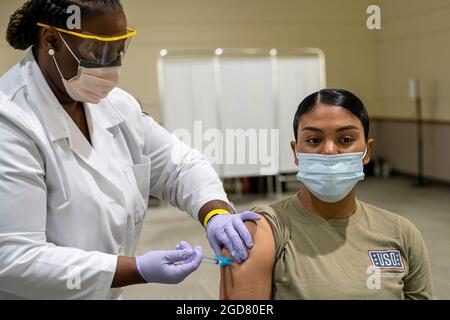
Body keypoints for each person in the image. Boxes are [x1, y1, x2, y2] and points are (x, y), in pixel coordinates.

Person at [0, 0, 259, 300]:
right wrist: (136, 269)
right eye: (96, 51)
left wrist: (215, 212)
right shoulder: (11, 119)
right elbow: (14, 257)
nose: (109, 65)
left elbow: (180, 166)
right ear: (51, 39)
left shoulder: (117, 106)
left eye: (118, 50)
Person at [220, 89, 435, 300]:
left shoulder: (401, 234)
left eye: (346, 139)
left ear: (367, 152)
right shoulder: (261, 231)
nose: (330, 151)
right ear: (295, 152)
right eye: (314, 140)